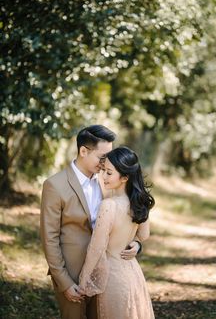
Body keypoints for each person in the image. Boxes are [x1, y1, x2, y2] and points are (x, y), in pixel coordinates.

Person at [40, 125, 142, 319]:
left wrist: (136, 243)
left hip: (105, 274)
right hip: (72, 274)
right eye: (102, 157)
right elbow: (49, 239)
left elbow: (126, 217)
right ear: (83, 151)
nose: (106, 162)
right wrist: (64, 282)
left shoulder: (108, 181)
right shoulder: (54, 185)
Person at [77, 146, 155, 319]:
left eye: (109, 173)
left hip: (113, 279)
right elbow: (143, 236)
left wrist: (83, 281)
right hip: (133, 274)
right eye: (103, 170)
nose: (103, 176)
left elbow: (96, 248)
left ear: (125, 177)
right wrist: (137, 244)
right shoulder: (139, 201)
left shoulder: (109, 206)